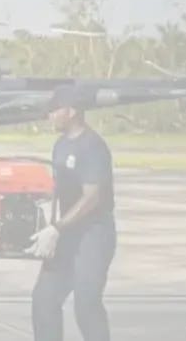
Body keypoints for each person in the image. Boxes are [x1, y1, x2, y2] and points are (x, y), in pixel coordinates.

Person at [29, 85, 116, 341]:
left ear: (72, 111)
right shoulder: (60, 145)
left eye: (55, 110)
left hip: (93, 235)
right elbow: (64, 188)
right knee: (44, 300)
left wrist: (57, 228)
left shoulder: (92, 146)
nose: (50, 115)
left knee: (86, 304)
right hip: (66, 234)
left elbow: (92, 197)